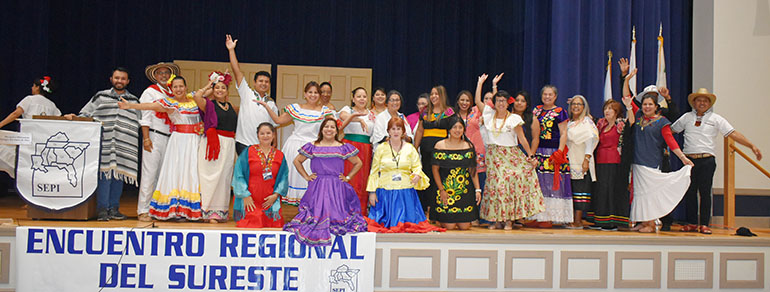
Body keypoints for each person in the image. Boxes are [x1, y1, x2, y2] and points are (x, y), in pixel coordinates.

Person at [671, 88, 762, 234]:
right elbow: (670, 131)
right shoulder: (686, 117)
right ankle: (693, 223)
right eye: (699, 100)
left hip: (707, 160)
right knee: (689, 192)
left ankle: (705, 224)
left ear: (709, 103)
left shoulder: (716, 118)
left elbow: (733, 133)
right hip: (689, 160)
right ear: (694, 103)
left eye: (705, 101)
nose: (702, 103)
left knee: (705, 193)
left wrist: (751, 145)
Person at [118, 75, 209, 221]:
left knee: (191, 173)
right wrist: (130, 106)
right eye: (175, 87)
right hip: (179, 142)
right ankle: (167, 209)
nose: (178, 89)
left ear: (186, 87)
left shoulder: (193, 99)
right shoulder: (170, 103)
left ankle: (187, 210)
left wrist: (215, 80)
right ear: (171, 89)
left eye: (181, 86)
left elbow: (205, 91)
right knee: (175, 174)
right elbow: (150, 106)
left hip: (194, 142)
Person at [64, 68, 140, 221]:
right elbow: (86, 113)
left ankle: (114, 208)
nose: (120, 81)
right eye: (117, 78)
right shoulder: (101, 96)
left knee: (119, 175)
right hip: (104, 141)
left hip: (123, 144)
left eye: (123, 78)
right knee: (104, 176)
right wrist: (73, 117)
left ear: (128, 81)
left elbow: (138, 121)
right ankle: (102, 209)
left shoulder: (134, 101)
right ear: (111, 79)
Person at [283, 118, 367, 246]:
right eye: (326, 126)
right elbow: (297, 161)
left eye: (332, 127)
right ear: (321, 129)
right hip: (318, 185)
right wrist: (306, 176)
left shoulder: (343, 147)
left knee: (337, 216)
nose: (329, 129)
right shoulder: (313, 146)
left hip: (336, 186)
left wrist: (348, 178)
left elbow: (358, 163)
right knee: (316, 215)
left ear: (336, 130)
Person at [475, 74, 544, 230]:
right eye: (498, 100)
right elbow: (478, 101)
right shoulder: (488, 115)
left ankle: (509, 220)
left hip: (510, 156)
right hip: (493, 156)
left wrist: (530, 156)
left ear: (508, 103)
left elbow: (523, 139)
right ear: (495, 103)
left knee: (506, 187)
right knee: (495, 187)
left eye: (504, 101)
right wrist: (480, 84)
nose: (501, 103)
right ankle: (497, 219)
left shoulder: (513, 118)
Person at [625, 83, 694, 233]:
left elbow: (670, 140)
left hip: (651, 162)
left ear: (656, 106)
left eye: (650, 104)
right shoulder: (638, 117)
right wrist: (626, 79)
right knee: (640, 194)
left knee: (649, 194)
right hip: (637, 162)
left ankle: (650, 224)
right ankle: (643, 222)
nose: (647, 107)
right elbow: (627, 98)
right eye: (644, 104)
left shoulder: (662, 122)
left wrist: (683, 158)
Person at [258, 81, 335, 206]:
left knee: (311, 179)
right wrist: (267, 107)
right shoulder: (296, 108)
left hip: (314, 149)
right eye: (310, 92)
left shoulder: (325, 111)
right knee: (291, 178)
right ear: (305, 94)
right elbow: (278, 120)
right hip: (295, 147)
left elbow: (335, 128)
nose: (313, 95)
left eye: (316, 92)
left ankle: (308, 213)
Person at [366, 117, 444, 233]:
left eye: (398, 129)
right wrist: (372, 192)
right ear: (388, 131)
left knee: (410, 226)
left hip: (405, 191)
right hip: (385, 190)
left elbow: (417, 166)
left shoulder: (410, 148)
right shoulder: (381, 148)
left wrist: (417, 174)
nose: (396, 132)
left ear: (403, 131)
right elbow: (374, 171)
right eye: (393, 129)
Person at [136, 62, 179, 222]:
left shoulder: (171, 93)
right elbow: (144, 116)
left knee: (163, 175)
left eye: (166, 73)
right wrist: (146, 138)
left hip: (170, 137)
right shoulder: (150, 92)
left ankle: (158, 209)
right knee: (149, 173)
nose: (163, 75)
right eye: (160, 73)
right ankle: (143, 210)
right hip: (154, 135)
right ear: (155, 76)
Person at [226, 34, 279, 154]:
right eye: (260, 81)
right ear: (254, 83)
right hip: (243, 143)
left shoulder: (271, 103)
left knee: (262, 173)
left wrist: (274, 144)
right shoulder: (247, 93)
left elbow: (274, 126)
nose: (263, 84)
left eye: (266, 82)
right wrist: (231, 50)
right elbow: (237, 71)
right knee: (246, 172)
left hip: (264, 145)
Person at [0, 76, 61, 179]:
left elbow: (16, 114)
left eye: (33, 85)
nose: (32, 87)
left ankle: (19, 174)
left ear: (37, 87)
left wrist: (1, 124)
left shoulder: (29, 99)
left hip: (27, 138)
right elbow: (58, 120)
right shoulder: (52, 105)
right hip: (43, 141)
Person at [529, 84, 572, 227]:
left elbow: (564, 132)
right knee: (538, 184)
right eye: (545, 94)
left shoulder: (560, 112)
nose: (547, 97)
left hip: (553, 151)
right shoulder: (536, 110)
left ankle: (549, 217)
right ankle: (537, 216)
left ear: (555, 96)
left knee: (550, 183)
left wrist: (559, 152)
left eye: (550, 94)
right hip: (538, 149)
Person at [198, 71, 238, 223]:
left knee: (224, 178)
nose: (220, 90)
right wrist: (211, 83)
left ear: (228, 91)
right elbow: (197, 97)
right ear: (213, 91)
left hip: (228, 144)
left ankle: (219, 212)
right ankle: (206, 211)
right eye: (217, 88)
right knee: (210, 176)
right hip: (212, 144)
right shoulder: (208, 104)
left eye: (223, 88)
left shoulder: (232, 107)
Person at [232, 122, 287, 228]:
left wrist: (276, 195)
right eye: (262, 133)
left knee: (274, 225)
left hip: (270, 200)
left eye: (268, 133)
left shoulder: (280, 155)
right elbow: (238, 174)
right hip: (251, 199)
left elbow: (284, 177)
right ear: (257, 135)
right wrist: (245, 195)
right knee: (251, 224)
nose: (265, 136)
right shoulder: (248, 152)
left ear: (273, 135)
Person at [431, 119, 481, 230]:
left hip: (464, 191)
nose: (457, 130)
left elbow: (473, 171)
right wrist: (441, 190)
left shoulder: (468, 146)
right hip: (445, 191)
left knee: (464, 227)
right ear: (449, 129)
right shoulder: (439, 145)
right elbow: (435, 170)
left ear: (464, 129)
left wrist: (478, 190)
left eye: (460, 127)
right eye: (454, 127)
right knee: (450, 226)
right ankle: (439, 219)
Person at [591, 98, 633, 231]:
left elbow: (631, 123)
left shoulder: (620, 124)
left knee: (612, 190)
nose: (607, 111)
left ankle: (613, 221)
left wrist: (629, 107)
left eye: (610, 109)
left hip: (615, 161)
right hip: (600, 161)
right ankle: (600, 220)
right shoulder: (601, 124)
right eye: (606, 108)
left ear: (617, 112)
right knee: (601, 190)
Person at [414, 85, 456, 219]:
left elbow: (454, 131)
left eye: (436, 94)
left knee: (440, 178)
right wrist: (415, 148)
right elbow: (420, 130)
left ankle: (437, 208)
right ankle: (426, 209)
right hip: (426, 152)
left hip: (442, 152)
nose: (433, 97)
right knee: (427, 178)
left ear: (442, 95)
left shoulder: (449, 112)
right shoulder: (425, 112)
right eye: (432, 94)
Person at [339, 87, 376, 215]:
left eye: (364, 96)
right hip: (349, 147)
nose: (362, 99)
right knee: (349, 178)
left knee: (363, 179)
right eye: (359, 96)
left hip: (366, 148)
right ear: (353, 99)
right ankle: (344, 211)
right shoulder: (347, 109)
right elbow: (343, 117)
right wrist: (358, 118)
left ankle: (360, 212)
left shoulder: (372, 114)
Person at [565, 95, 598, 229]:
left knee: (580, 190)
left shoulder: (587, 122)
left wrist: (586, 159)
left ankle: (578, 221)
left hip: (582, 158)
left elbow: (591, 140)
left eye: (579, 104)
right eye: (573, 104)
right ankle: (572, 218)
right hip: (571, 158)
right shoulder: (569, 122)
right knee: (572, 191)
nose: (576, 106)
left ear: (584, 107)